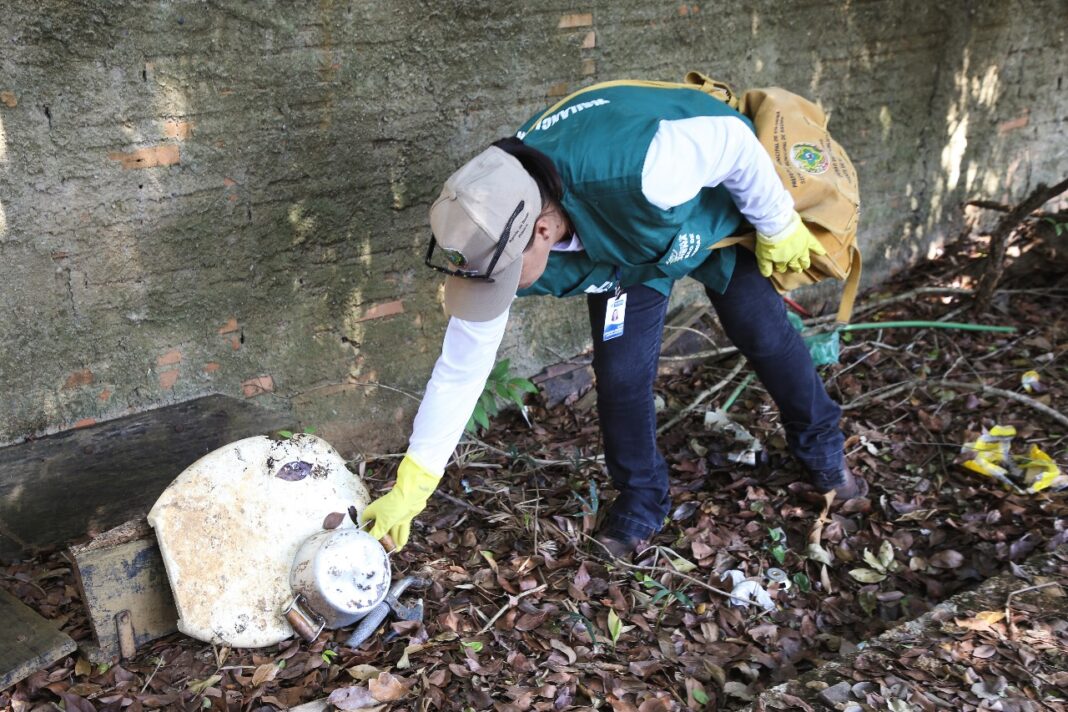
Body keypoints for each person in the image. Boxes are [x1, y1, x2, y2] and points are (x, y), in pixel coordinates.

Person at [361, 80, 862, 557]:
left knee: (763, 332)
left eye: (507, 276)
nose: (502, 290)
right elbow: (462, 367)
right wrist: (414, 482)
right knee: (621, 375)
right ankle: (643, 500)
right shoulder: (490, 219)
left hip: (704, 219)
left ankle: (823, 450)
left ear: (540, 230)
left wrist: (778, 224)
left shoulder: (639, 167)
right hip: (630, 256)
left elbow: (732, 140)